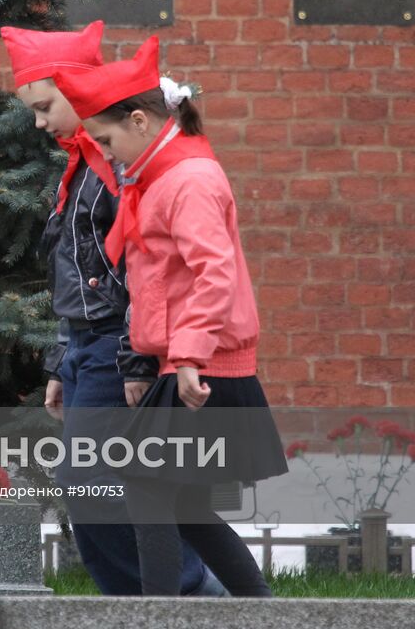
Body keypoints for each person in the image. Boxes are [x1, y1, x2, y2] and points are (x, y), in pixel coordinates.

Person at [53, 34, 287, 597]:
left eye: (107, 140)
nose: (105, 153)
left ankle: (161, 615)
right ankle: (261, 612)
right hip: (187, 365)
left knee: (147, 489)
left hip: (204, 369)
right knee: (183, 505)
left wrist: (187, 357)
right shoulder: (159, 180)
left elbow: (215, 273)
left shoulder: (189, 181)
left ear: (139, 121)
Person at [1, 23, 224, 598]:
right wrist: (59, 361)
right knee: (86, 486)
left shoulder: (116, 170)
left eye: (46, 106)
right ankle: (139, 602)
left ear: (78, 94)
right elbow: (74, 272)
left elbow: (139, 275)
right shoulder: (80, 169)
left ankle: (188, 595)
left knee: (93, 481)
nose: (40, 122)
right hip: (84, 347)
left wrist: (132, 360)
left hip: (112, 347)